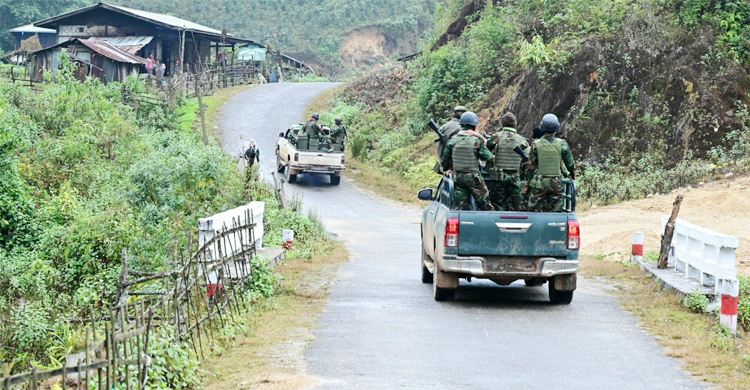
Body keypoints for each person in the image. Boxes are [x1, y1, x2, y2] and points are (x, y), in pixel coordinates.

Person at [441, 112, 495, 211]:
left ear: (461, 125)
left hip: (458, 178)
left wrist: (448, 169)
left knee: (460, 207)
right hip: (474, 179)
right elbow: (489, 158)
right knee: (486, 205)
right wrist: (488, 168)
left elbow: (445, 160)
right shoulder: (477, 141)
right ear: (473, 126)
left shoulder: (452, 141)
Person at [527, 114, 575, 212]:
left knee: (534, 211)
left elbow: (531, 167)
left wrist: (528, 183)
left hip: (540, 183)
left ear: (542, 127)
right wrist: (572, 175)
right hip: (556, 183)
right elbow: (570, 163)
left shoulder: (536, 144)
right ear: (557, 127)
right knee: (556, 211)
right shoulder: (562, 144)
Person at [486, 112, 529, 211]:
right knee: (515, 205)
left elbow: (486, 149)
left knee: (498, 204)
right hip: (515, 177)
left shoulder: (496, 137)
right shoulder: (522, 140)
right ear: (515, 124)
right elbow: (527, 157)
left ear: (502, 124)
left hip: (499, 177)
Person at [433, 105, 467, 174]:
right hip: (453, 168)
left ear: (453, 114)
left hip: (443, 163)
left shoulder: (445, 126)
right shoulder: (461, 129)